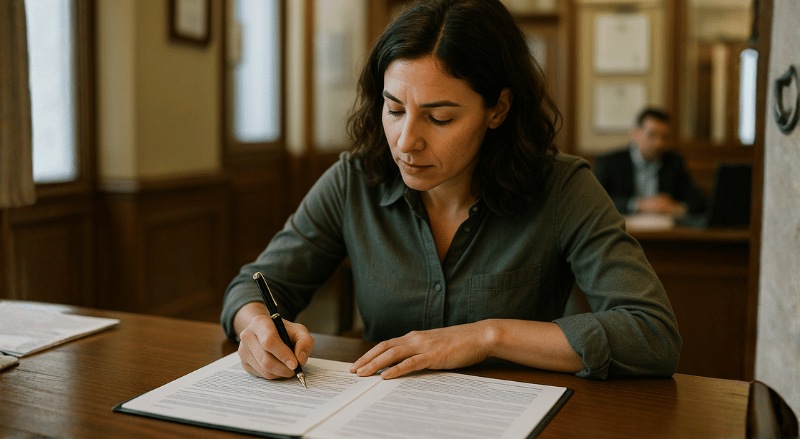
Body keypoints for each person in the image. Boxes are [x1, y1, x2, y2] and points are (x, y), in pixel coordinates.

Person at [221, 0, 681, 382]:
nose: (406, 141)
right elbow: (254, 286)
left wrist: (485, 337)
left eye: (440, 118)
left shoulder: (563, 188)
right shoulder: (354, 181)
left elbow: (651, 333)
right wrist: (257, 325)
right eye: (395, 109)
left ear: (497, 109)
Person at [593, 108, 706, 216]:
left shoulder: (673, 161)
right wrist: (639, 205)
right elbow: (597, 202)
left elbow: (698, 200)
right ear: (635, 134)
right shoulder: (609, 162)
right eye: (652, 135)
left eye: (664, 137)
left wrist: (677, 207)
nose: (659, 143)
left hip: (664, 230)